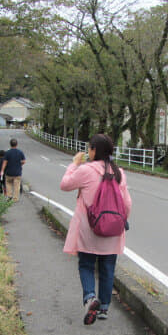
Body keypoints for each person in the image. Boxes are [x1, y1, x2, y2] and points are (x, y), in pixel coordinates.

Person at [60, 133, 132, 325]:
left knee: (86, 265)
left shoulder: (86, 170)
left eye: (89, 148)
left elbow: (65, 185)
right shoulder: (119, 173)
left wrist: (74, 164)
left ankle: (91, 298)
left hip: (89, 229)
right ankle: (104, 308)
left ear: (93, 150)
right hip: (112, 230)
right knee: (108, 268)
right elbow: (127, 203)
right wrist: (121, 222)